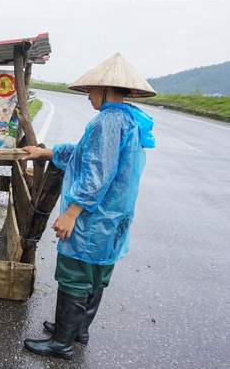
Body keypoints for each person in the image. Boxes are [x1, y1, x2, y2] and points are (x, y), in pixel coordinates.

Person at [21, 53, 156, 359]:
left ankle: (61, 343)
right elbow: (84, 155)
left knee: (75, 272)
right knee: (96, 272)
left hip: (92, 216)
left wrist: (71, 213)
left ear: (107, 90)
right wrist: (47, 153)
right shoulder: (128, 119)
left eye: (92, 91)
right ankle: (76, 329)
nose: (89, 97)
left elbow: (96, 172)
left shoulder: (106, 122)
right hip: (114, 217)